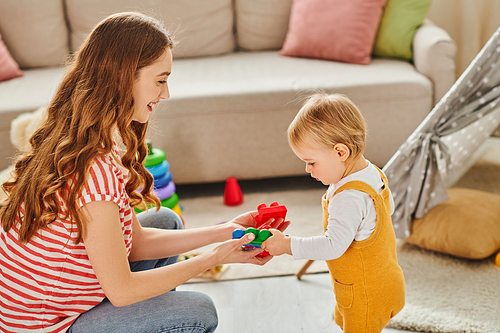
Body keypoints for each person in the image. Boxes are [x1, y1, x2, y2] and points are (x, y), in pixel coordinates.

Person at [0, 12, 288, 333]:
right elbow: (122, 291)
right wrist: (213, 257)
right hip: (46, 326)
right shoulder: (94, 169)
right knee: (198, 311)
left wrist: (229, 231)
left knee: (166, 219)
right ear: (123, 77)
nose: (165, 94)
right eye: (161, 80)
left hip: (62, 302)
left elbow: (134, 243)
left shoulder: (88, 138)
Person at [261, 93, 405, 332]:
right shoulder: (371, 173)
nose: (307, 169)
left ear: (341, 152)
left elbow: (333, 246)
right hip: (384, 278)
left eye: (311, 162)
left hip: (364, 293)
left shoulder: (348, 198)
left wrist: (286, 245)